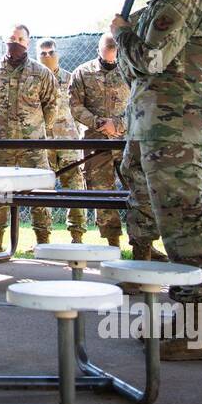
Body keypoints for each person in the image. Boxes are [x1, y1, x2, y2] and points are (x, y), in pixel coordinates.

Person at [111, 0, 202, 361]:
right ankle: (187, 325)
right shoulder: (166, 0)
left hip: (175, 133)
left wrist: (122, 32)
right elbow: (135, 70)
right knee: (180, 222)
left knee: (186, 225)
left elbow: (150, 59)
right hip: (159, 128)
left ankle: (199, 335)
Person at [0, 24, 59, 249]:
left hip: (33, 147)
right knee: (0, 196)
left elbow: (51, 106)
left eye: (20, 39)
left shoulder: (41, 73)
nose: (15, 42)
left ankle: (43, 245)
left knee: (39, 196)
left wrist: (34, 129)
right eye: (11, 38)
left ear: (27, 42)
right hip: (1, 147)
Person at [69, 34, 137, 251]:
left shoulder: (130, 71)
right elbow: (76, 106)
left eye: (113, 59)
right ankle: (112, 244)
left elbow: (140, 105)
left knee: (138, 190)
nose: (109, 63)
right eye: (106, 59)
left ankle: (142, 243)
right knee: (102, 191)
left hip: (126, 142)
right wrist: (99, 122)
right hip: (96, 141)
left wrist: (118, 125)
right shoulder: (82, 72)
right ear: (99, 50)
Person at [37, 38, 87, 243]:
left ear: (58, 54)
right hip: (42, 142)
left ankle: (77, 238)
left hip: (68, 142)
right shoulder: (33, 79)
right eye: (43, 53)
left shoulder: (71, 79)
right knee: (40, 191)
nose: (47, 56)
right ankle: (42, 240)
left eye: (51, 52)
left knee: (75, 189)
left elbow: (81, 108)